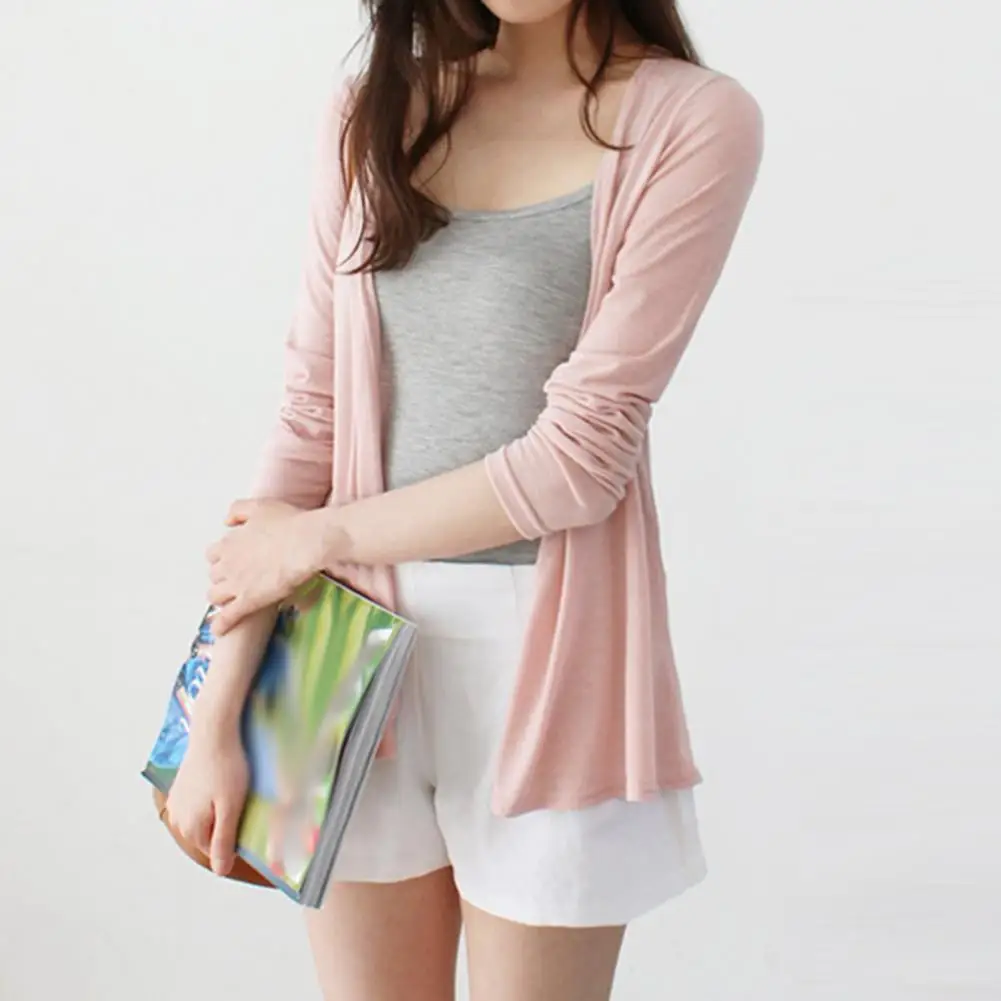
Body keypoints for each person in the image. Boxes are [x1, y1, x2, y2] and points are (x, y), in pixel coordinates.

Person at [163, 1, 764, 998]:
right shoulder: (374, 110)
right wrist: (218, 710)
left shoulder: (692, 120)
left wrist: (320, 536)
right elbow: (310, 415)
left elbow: (580, 459)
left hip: (551, 660)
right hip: (338, 649)